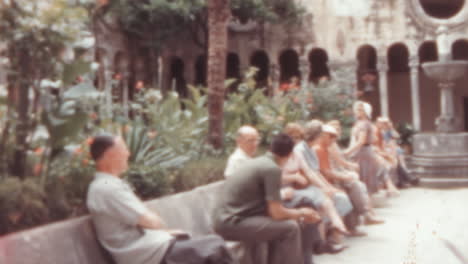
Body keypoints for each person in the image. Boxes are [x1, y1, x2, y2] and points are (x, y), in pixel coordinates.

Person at [87, 134, 234, 264]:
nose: (128, 153)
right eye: (123, 149)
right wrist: (163, 229)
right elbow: (151, 221)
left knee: (210, 245)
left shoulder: (107, 184)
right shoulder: (106, 188)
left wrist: (165, 232)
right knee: (215, 246)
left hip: (151, 248)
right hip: (145, 255)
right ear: (109, 154)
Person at [213, 134, 321, 264]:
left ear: (270, 148)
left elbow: (274, 211)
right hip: (231, 223)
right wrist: (302, 213)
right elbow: (276, 213)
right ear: (291, 154)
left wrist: (298, 214)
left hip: (229, 219)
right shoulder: (271, 169)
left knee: (284, 225)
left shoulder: (261, 162)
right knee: (290, 228)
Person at [315, 123, 384, 231]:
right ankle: (364, 215)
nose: (333, 139)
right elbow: (326, 172)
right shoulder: (319, 149)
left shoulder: (326, 148)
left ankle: (357, 222)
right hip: (327, 182)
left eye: (334, 136)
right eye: (331, 137)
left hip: (332, 179)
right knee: (354, 185)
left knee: (357, 185)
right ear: (323, 136)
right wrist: (344, 177)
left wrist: (345, 174)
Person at [344, 101, 399, 196]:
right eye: (357, 109)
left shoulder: (364, 124)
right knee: (363, 177)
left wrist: (348, 152)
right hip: (363, 151)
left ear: (365, 112)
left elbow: (361, 141)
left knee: (365, 177)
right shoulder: (360, 123)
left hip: (363, 152)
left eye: (360, 110)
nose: (357, 111)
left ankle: (366, 202)